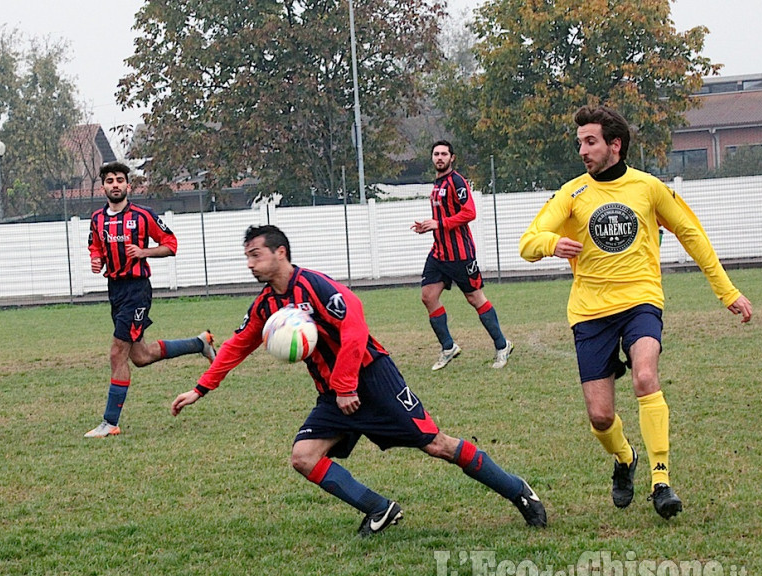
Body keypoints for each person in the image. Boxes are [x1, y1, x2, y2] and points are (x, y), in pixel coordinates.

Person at [171, 225, 547, 535]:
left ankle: (518, 491)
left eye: (256, 254)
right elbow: (237, 345)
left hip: (372, 379)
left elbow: (354, 327)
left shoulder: (316, 286)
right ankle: (380, 508)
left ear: (280, 252)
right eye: (247, 256)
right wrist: (200, 388)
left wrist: (347, 384)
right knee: (303, 458)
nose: (250, 263)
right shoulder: (267, 305)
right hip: (333, 394)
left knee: (437, 445)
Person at [519, 106, 753, 519]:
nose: (582, 151)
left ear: (615, 145)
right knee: (600, 415)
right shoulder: (572, 193)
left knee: (646, 376)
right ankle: (625, 458)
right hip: (590, 313)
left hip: (641, 301)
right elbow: (528, 241)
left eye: (590, 142)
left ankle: (660, 480)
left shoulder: (648, 187)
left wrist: (726, 291)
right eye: (579, 143)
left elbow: (690, 232)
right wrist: (550, 245)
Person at [85, 162, 217, 438]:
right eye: (110, 181)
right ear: (103, 187)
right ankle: (199, 343)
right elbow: (95, 245)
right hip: (115, 290)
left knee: (116, 353)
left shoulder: (143, 216)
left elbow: (171, 244)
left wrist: (144, 252)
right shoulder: (97, 219)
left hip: (137, 290)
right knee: (141, 356)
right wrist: (96, 260)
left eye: (120, 180)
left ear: (128, 186)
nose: (115, 185)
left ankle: (110, 422)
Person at [411, 140, 513, 371]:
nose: (439, 157)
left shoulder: (457, 181)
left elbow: (470, 212)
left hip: (460, 255)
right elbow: (440, 218)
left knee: (475, 299)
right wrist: (427, 226)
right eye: (436, 154)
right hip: (439, 253)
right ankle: (448, 347)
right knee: (428, 296)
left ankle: (502, 344)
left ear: (452, 158)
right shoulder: (437, 184)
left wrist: (439, 223)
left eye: (444, 154)